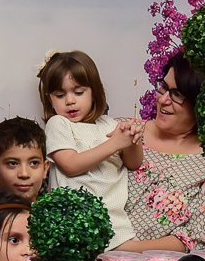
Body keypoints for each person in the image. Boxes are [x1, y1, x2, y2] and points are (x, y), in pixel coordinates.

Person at [122, 51, 205, 252]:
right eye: (164, 88)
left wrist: (124, 250)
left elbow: (201, 241)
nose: (164, 99)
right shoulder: (126, 131)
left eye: (177, 95)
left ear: (202, 106)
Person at [38, 50, 143, 250]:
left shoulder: (109, 124)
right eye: (60, 95)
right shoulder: (58, 124)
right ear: (49, 99)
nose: (70, 101)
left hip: (114, 221)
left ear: (94, 91)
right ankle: (168, 247)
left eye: (78, 93)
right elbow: (69, 165)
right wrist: (114, 144)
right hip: (74, 222)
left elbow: (134, 163)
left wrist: (132, 140)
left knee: (126, 259)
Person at [0, 117, 49, 203]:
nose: (24, 174)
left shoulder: (55, 210)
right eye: (13, 163)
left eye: (34, 163)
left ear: (45, 169)